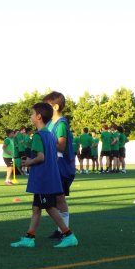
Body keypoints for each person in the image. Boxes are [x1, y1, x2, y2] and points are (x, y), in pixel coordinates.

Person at [11, 103, 79, 249]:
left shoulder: (38, 136)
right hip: (49, 177)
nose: (30, 116)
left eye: (32, 114)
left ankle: (69, 235)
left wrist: (29, 161)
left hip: (43, 178)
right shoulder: (49, 134)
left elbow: (41, 157)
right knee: (36, 208)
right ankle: (30, 237)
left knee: (49, 207)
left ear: (39, 116)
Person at [44, 91, 76, 240]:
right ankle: (61, 229)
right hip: (52, 167)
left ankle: (64, 231)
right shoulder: (49, 123)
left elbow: (61, 146)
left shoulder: (61, 123)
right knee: (55, 200)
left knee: (60, 199)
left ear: (55, 107)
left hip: (61, 167)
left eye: (47, 106)